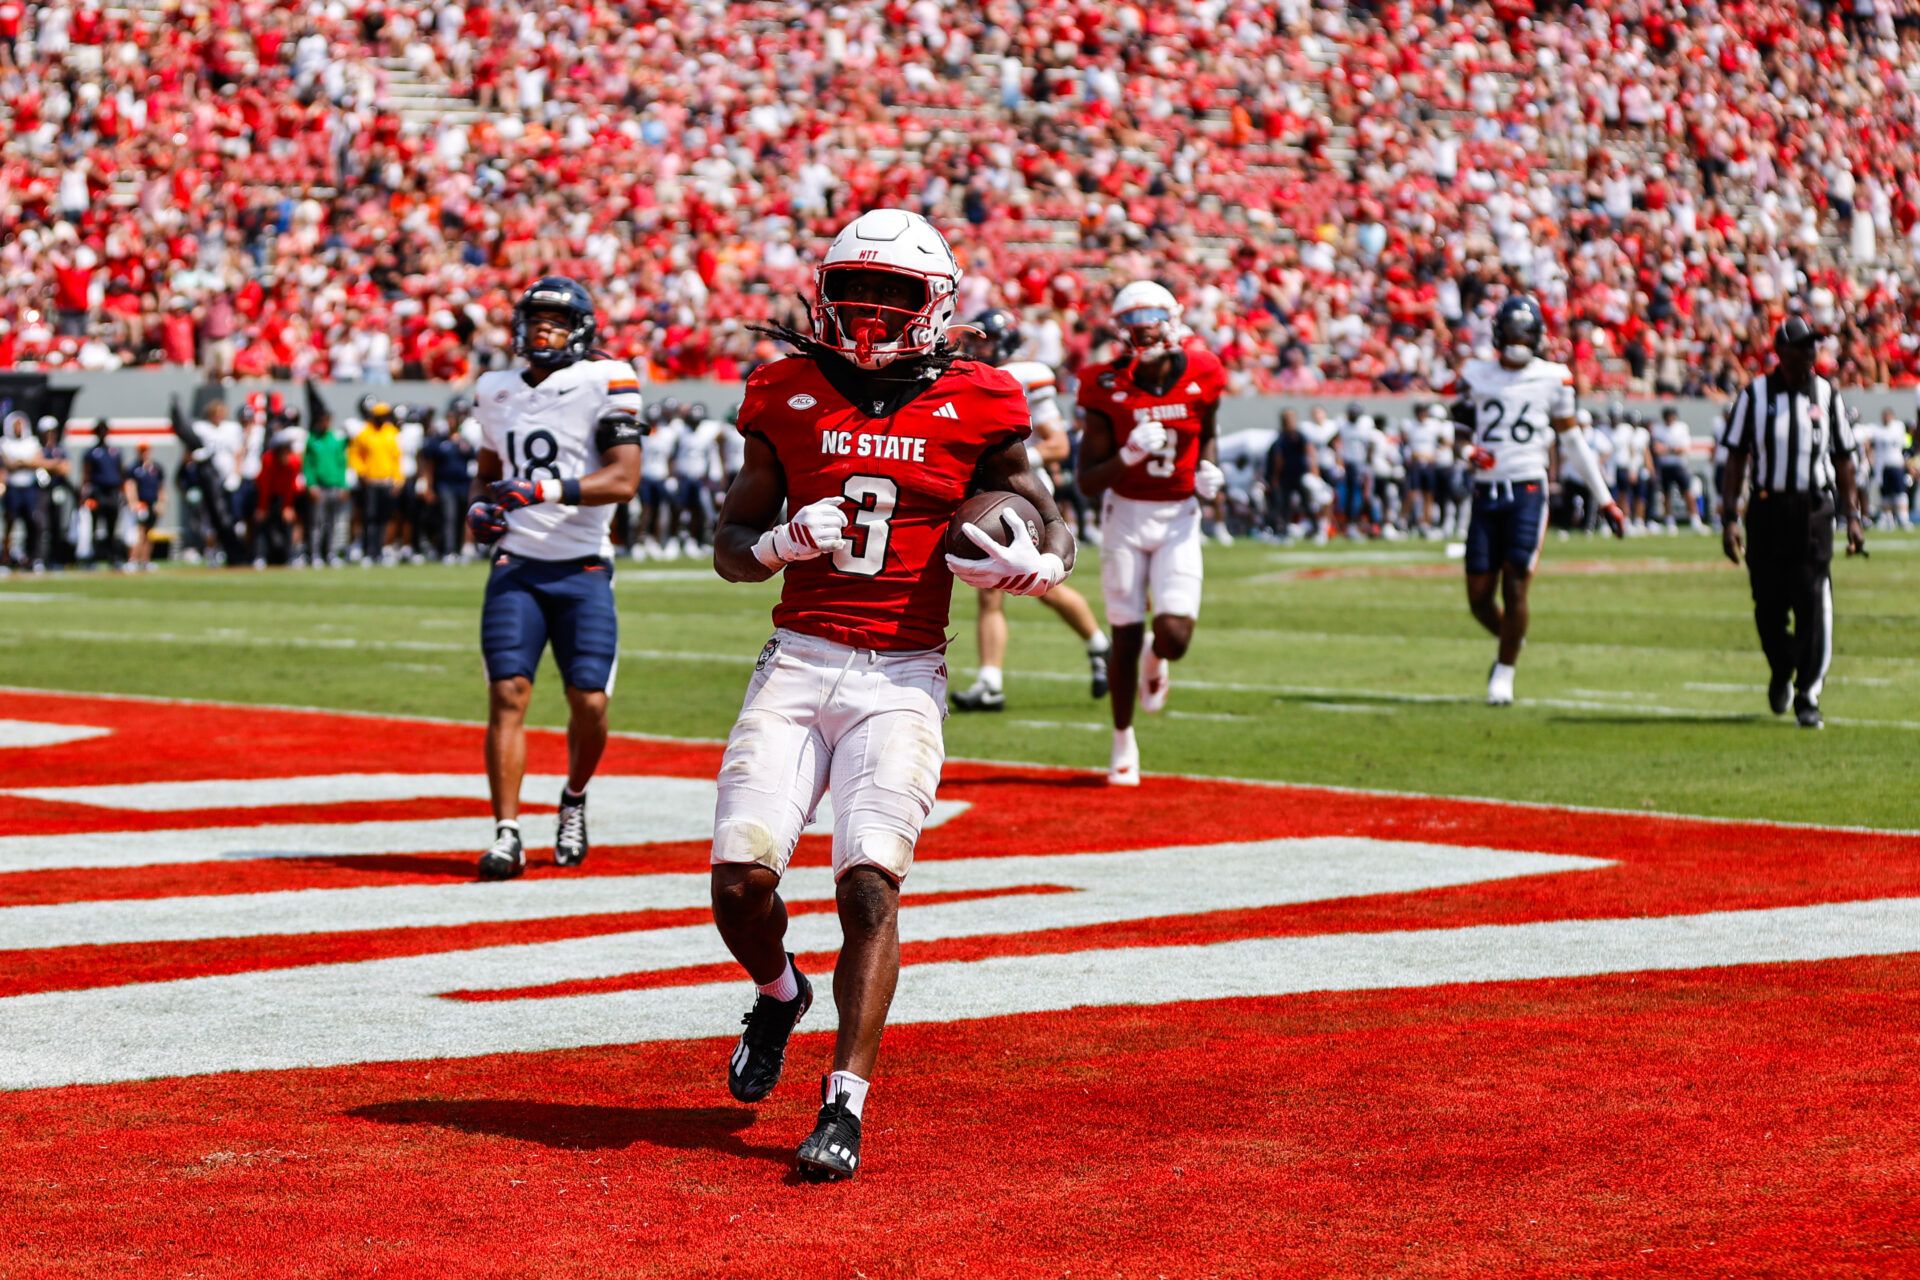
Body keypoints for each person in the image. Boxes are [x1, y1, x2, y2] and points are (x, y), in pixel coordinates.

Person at [709, 208, 1072, 1181]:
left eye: (894, 294)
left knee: (869, 881)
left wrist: (1037, 558)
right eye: (853, 291)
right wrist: (784, 542)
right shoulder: (781, 387)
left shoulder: (983, 396)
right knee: (740, 882)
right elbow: (730, 546)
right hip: (797, 659)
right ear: (821, 295)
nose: (868, 312)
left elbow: (1047, 513)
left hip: (902, 675)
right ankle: (780, 990)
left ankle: (844, 1104)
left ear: (937, 303)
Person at [466, 276, 645, 879]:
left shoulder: (607, 379)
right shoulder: (493, 389)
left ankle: (573, 797)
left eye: (559, 320)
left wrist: (542, 489)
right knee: (507, 694)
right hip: (517, 563)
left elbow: (623, 479)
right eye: (537, 317)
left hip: (584, 564)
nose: (545, 328)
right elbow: (488, 471)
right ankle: (507, 833)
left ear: (583, 330)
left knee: (589, 701)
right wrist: (479, 508)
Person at [1075, 280, 1225, 785]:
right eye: (1134, 321)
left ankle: (1157, 659)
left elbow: (1208, 437)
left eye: (1152, 317)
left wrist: (1210, 474)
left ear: (1174, 318)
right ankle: (1122, 738)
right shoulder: (1105, 383)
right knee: (1124, 630)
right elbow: (1088, 480)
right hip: (1127, 516)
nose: (1145, 328)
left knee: (1175, 636)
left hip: (1180, 515)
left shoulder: (1205, 371)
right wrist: (1129, 455)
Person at [1452, 294, 1624, 706]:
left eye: (1524, 332)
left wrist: (1605, 499)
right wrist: (1467, 453)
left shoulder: (1553, 377)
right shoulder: (1476, 373)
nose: (1517, 340)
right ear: (1498, 334)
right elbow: (1459, 431)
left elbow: (1572, 440)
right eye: (1511, 332)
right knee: (1478, 598)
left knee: (1515, 586)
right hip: (1485, 490)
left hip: (1527, 489)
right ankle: (1514, 639)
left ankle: (1505, 671)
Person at [949, 308, 1110, 711]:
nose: (974, 349)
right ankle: (991, 681)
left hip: (1024, 493)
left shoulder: (1023, 375)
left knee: (1034, 584)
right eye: (973, 341)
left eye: (983, 342)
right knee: (996, 588)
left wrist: (1010, 462)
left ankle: (1096, 644)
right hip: (991, 494)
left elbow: (1058, 444)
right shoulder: (968, 376)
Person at [1718, 316, 1866, 730]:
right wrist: (1730, 517)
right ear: (1782, 352)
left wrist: (1852, 516)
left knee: (1814, 601)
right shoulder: (1755, 395)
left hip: (1814, 511)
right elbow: (1736, 458)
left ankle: (1808, 693)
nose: (1810, 354)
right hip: (1767, 511)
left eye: (1813, 347)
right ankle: (1783, 667)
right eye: (1802, 347)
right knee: (1767, 605)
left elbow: (1843, 459)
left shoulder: (1827, 394)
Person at [348, 398, 402, 563]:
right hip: (371, 481)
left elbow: (396, 458)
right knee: (370, 518)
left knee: (384, 518)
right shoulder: (365, 433)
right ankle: (370, 552)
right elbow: (354, 455)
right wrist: (361, 472)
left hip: (387, 481)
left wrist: (398, 478)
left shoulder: (391, 432)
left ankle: (381, 550)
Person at [302, 405, 351, 566]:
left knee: (332, 523)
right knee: (316, 523)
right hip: (319, 487)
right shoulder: (312, 439)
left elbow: (341, 464)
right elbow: (308, 465)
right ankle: (314, 554)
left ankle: (330, 553)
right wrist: (311, 484)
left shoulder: (335, 440)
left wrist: (343, 485)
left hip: (334, 486)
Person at [2, 411, 45, 570]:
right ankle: (5, 559)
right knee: (10, 523)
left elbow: (38, 461)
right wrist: (24, 463)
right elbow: (8, 464)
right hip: (13, 488)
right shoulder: (5, 443)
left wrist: (21, 463)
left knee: (33, 522)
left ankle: (33, 558)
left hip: (29, 488)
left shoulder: (32, 443)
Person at [1653, 406, 1703, 532]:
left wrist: (1668, 449)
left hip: (1680, 465)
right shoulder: (1658, 429)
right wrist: (1673, 449)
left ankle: (1695, 519)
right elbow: (1657, 449)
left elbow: (1684, 449)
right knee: (1666, 495)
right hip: (1665, 466)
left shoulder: (1681, 428)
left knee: (1687, 492)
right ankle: (1669, 520)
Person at [127, 443, 164, 571]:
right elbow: (130, 485)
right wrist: (133, 502)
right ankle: (133, 559)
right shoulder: (134, 468)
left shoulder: (156, 468)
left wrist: (161, 503)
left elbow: (161, 487)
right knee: (139, 532)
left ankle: (145, 559)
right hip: (141, 504)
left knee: (150, 533)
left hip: (152, 504)